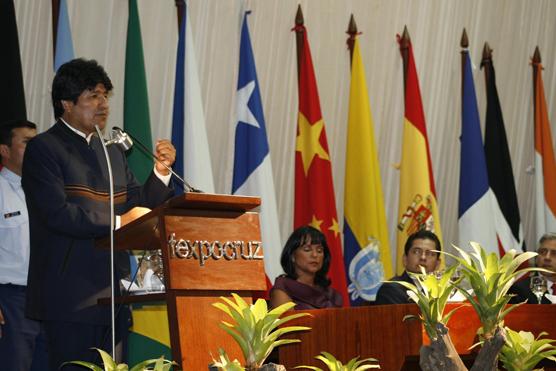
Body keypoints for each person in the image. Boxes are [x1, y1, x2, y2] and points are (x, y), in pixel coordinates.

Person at [21, 58, 176, 370]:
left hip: (114, 297)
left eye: (105, 95)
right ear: (66, 103)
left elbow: (139, 206)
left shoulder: (112, 153)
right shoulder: (44, 149)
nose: (103, 104)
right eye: (93, 96)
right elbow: (57, 214)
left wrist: (160, 173)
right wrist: (119, 222)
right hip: (69, 298)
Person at [0, 119, 48, 371]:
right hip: (11, 299)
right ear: (5, 150)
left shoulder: (47, 189)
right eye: (27, 143)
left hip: (49, 296)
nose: (36, 149)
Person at [270, 226, 343, 310]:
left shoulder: (330, 294)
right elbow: (288, 322)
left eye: (319, 250)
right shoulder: (283, 289)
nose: (315, 255)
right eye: (307, 249)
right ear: (292, 256)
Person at [375, 230, 441, 305]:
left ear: (437, 264)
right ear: (405, 259)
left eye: (429, 253)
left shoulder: (443, 291)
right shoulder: (391, 289)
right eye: (416, 252)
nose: (423, 257)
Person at [509, 233, 556, 304]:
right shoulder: (519, 290)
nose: (547, 257)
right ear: (536, 258)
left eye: (554, 253)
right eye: (543, 252)